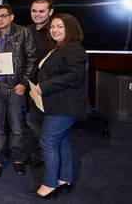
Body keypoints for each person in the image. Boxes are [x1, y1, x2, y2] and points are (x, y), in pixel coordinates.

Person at [25, 14, 88, 199]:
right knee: (61, 141)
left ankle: (50, 183)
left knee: (48, 141)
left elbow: (76, 76)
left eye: (59, 27)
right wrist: (36, 89)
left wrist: (44, 86)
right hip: (54, 102)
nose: (54, 30)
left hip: (64, 105)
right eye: (52, 27)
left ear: (71, 28)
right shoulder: (56, 49)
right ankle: (64, 178)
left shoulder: (75, 48)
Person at [0, 3, 38, 178]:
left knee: (17, 126)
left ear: (11, 17)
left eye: (3, 16)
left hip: (15, 87)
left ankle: (18, 157)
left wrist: (24, 83)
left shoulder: (23, 33)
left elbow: (32, 59)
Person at [26, 0, 56, 167]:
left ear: (50, 12)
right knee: (34, 123)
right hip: (29, 84)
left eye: (41, 11)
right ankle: (38, 156)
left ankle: (47, 157)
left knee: (49, 126)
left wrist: (44, 85)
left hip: (49, 86)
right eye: (34, 11)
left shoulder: (55, 31)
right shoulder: (26, 30)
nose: (37, 14)